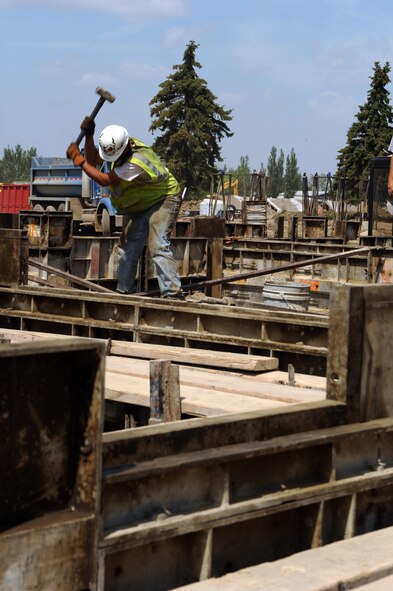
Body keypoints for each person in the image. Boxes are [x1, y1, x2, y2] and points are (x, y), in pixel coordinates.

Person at [66, 118, 184, 299]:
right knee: (127, 247)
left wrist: (80, 162)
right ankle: (124, 292)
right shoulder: (119, 146)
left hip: (163, 198)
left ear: (125, 148)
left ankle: (173, 295)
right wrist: (89, 136)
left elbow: (104, 179)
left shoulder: (136, 162)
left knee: (158, 245)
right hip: (142, 203)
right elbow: (94, 159)